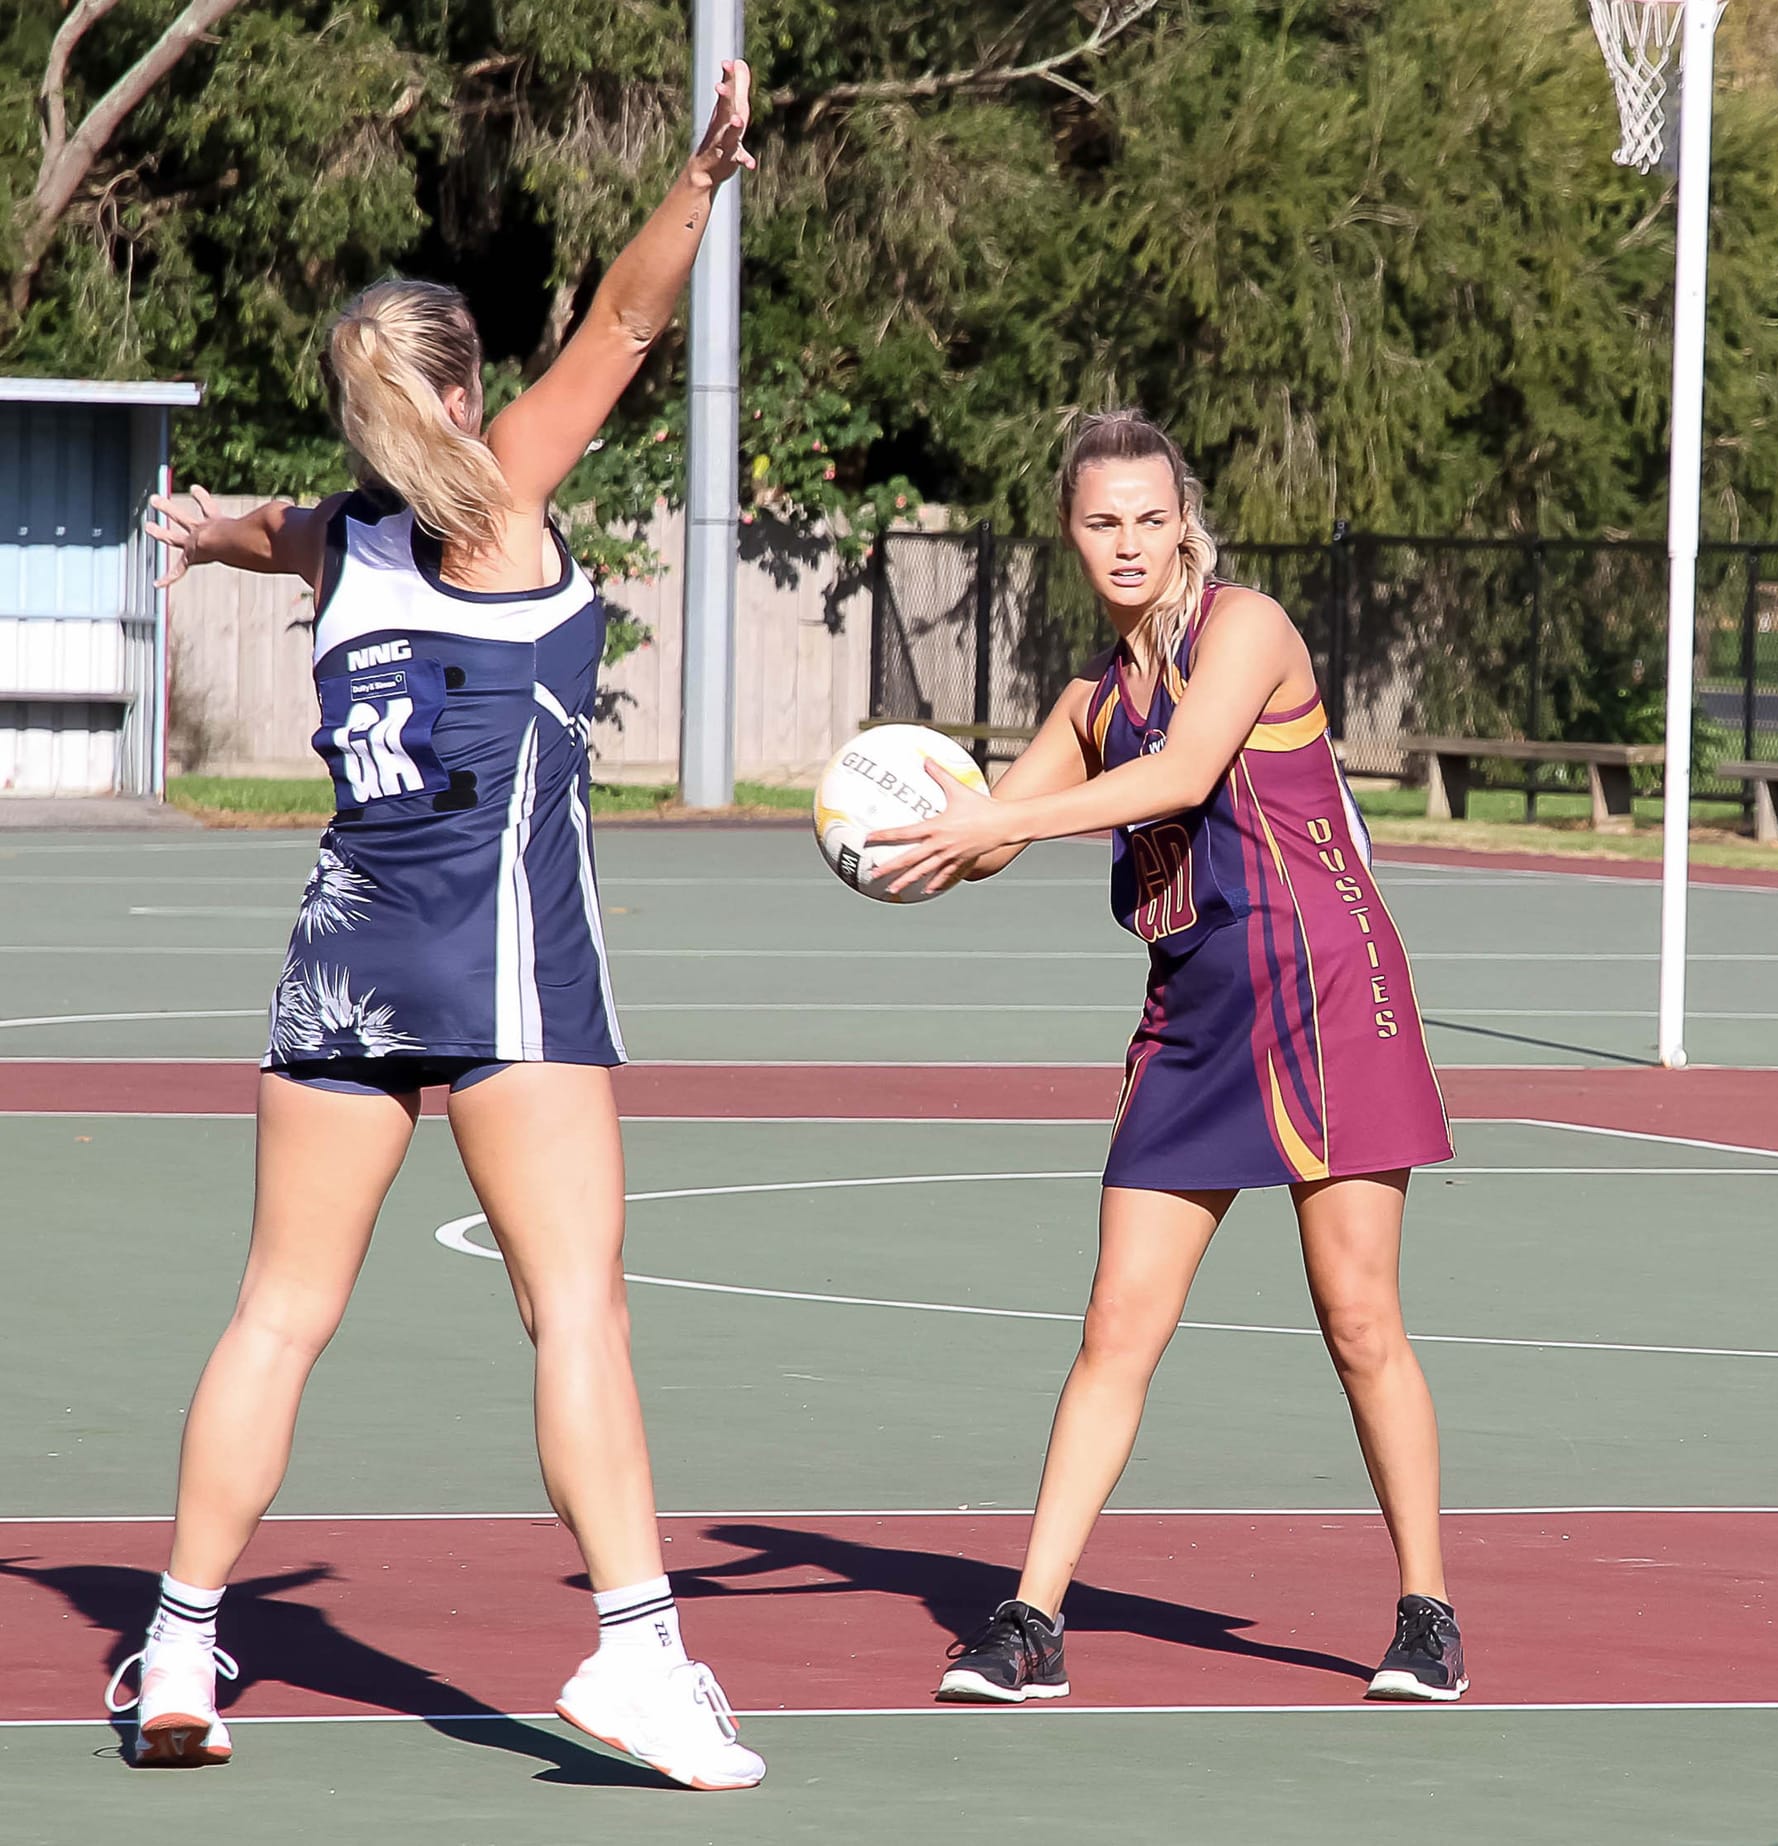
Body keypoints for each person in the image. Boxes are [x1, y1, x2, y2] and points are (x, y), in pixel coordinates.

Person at [103, 64, 765, 1791]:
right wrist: (697, 186)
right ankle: (636, 1653)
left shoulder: (341, 544)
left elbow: (266, 526)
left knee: (277, 1311)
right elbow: (624, 327)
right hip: (497, 958)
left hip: (340, 953)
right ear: (462, 394)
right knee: (576, 1314)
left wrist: (197, 526)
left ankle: (177, 1642)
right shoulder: (490, 512)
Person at [872, 409, 1467, 1705]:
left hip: (1324, 992)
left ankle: (1427, 1610)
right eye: (1102, 521)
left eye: (1150, 516)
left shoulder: (1244, 629)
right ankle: (1031, 1619)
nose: (1129, 541)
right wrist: (902, 820)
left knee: (1359, 1316)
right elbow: (991, 838)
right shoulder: (1094, 697)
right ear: (1072, 534)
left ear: (1184, 521)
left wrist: (1002, 811)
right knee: (1114, 1325)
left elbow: (1181, 775)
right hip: (1192, 1016)